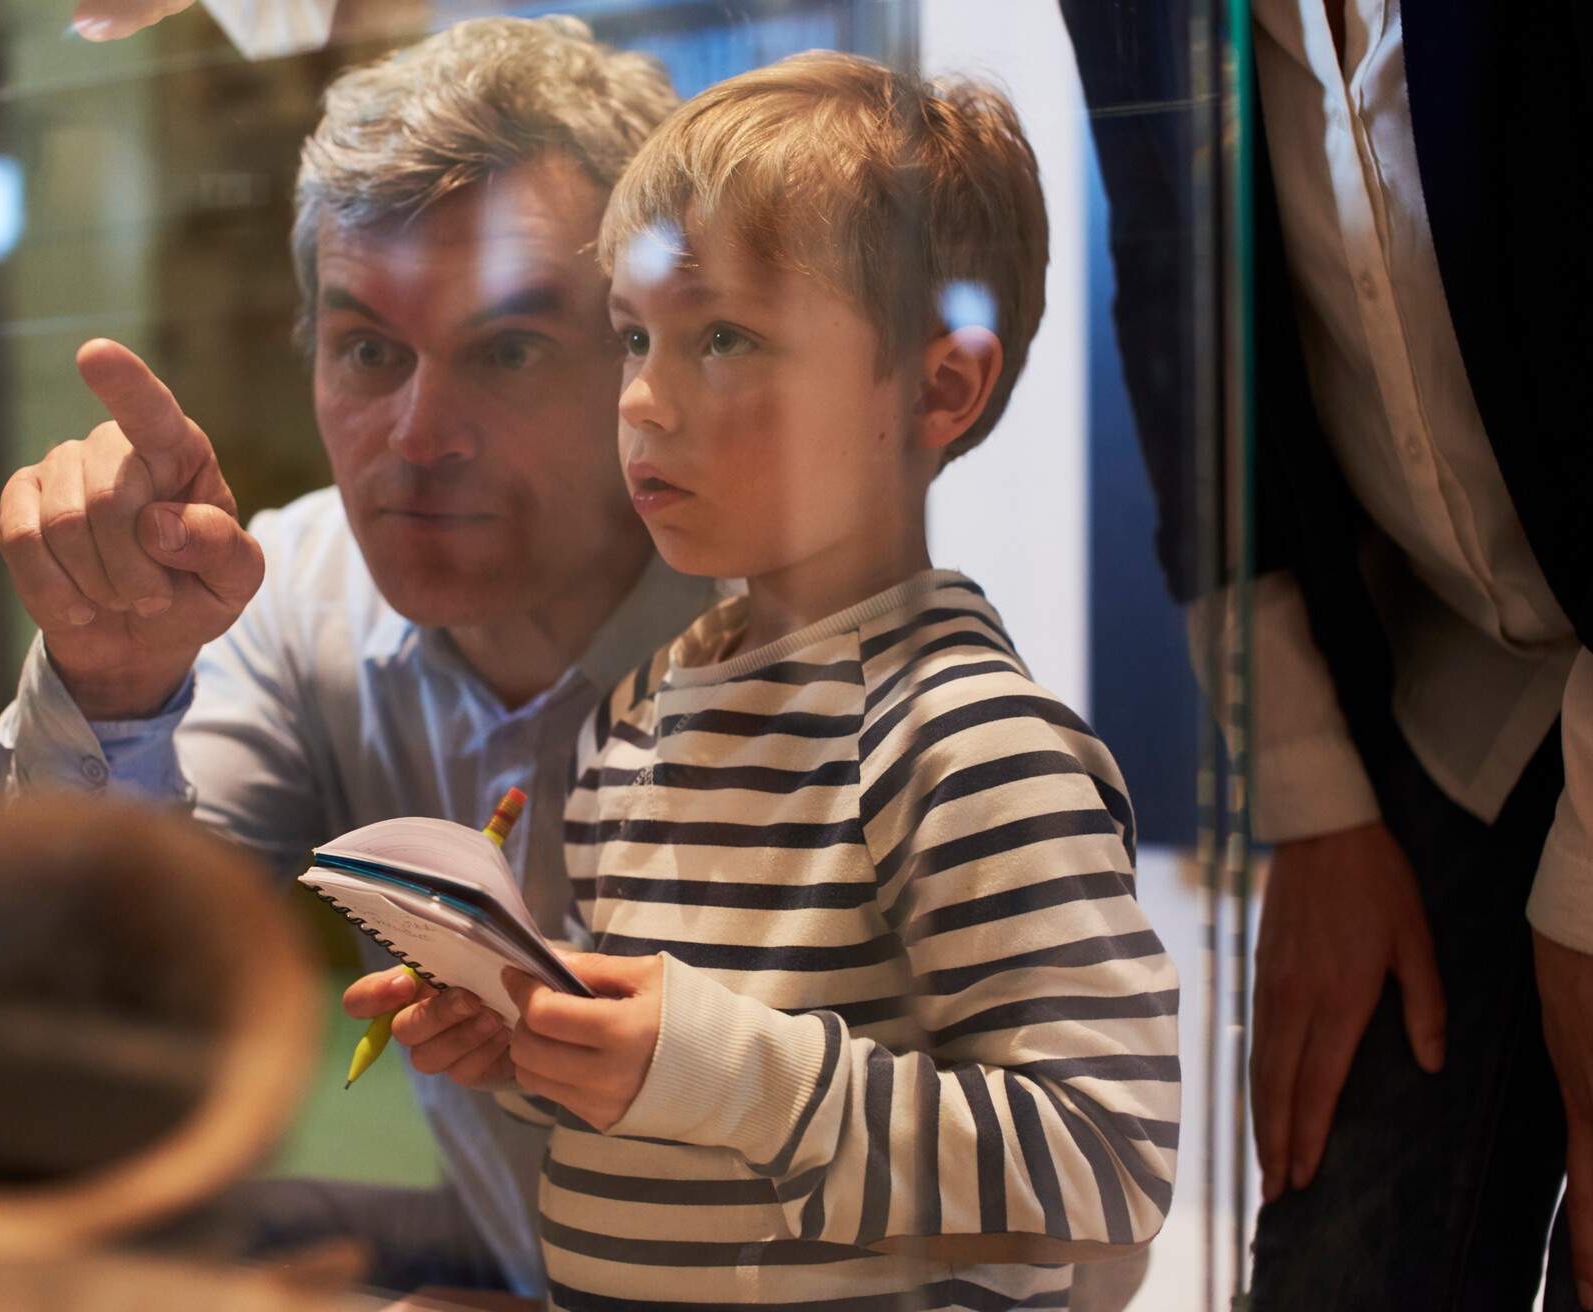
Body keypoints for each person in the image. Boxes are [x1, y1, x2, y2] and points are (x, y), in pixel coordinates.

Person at [368, 52, 1181, 1310]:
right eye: (635, 338)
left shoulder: (966, 741)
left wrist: (715, 1071)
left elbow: (1106, 1164)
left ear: (938, 387)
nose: (642, 399)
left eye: (724, 338)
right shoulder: (639, 719)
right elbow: (692, 1110)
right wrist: (537, 1042)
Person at [0, 16, 709, 1297]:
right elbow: (70, 1018)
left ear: (641, 361)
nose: (418, 439)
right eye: (369, 348)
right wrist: (113, 690)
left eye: (511, 350)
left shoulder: (794, 617)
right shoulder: (296, 585)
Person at [1061, 1, 1593, 1306]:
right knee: (1341, 1252)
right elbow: (1177, 321)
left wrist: (1584, 916)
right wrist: (1314, 799)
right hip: (1440, 670)